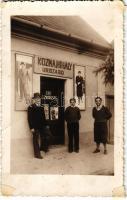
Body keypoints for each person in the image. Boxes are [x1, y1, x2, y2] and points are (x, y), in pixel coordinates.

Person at [27, 92, 48, 159]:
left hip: (42, 126)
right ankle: (37, 154)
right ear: (34, 99)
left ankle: (43, 149)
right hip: (35, 127)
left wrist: (46, 125)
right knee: (35, 140)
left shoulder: (41, 107)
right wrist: (31, 127)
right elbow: (29, 118)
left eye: (39, 98)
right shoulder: (31, 107)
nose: (38, 100)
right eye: (36, 98)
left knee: (45, 137)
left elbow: (44, 117)